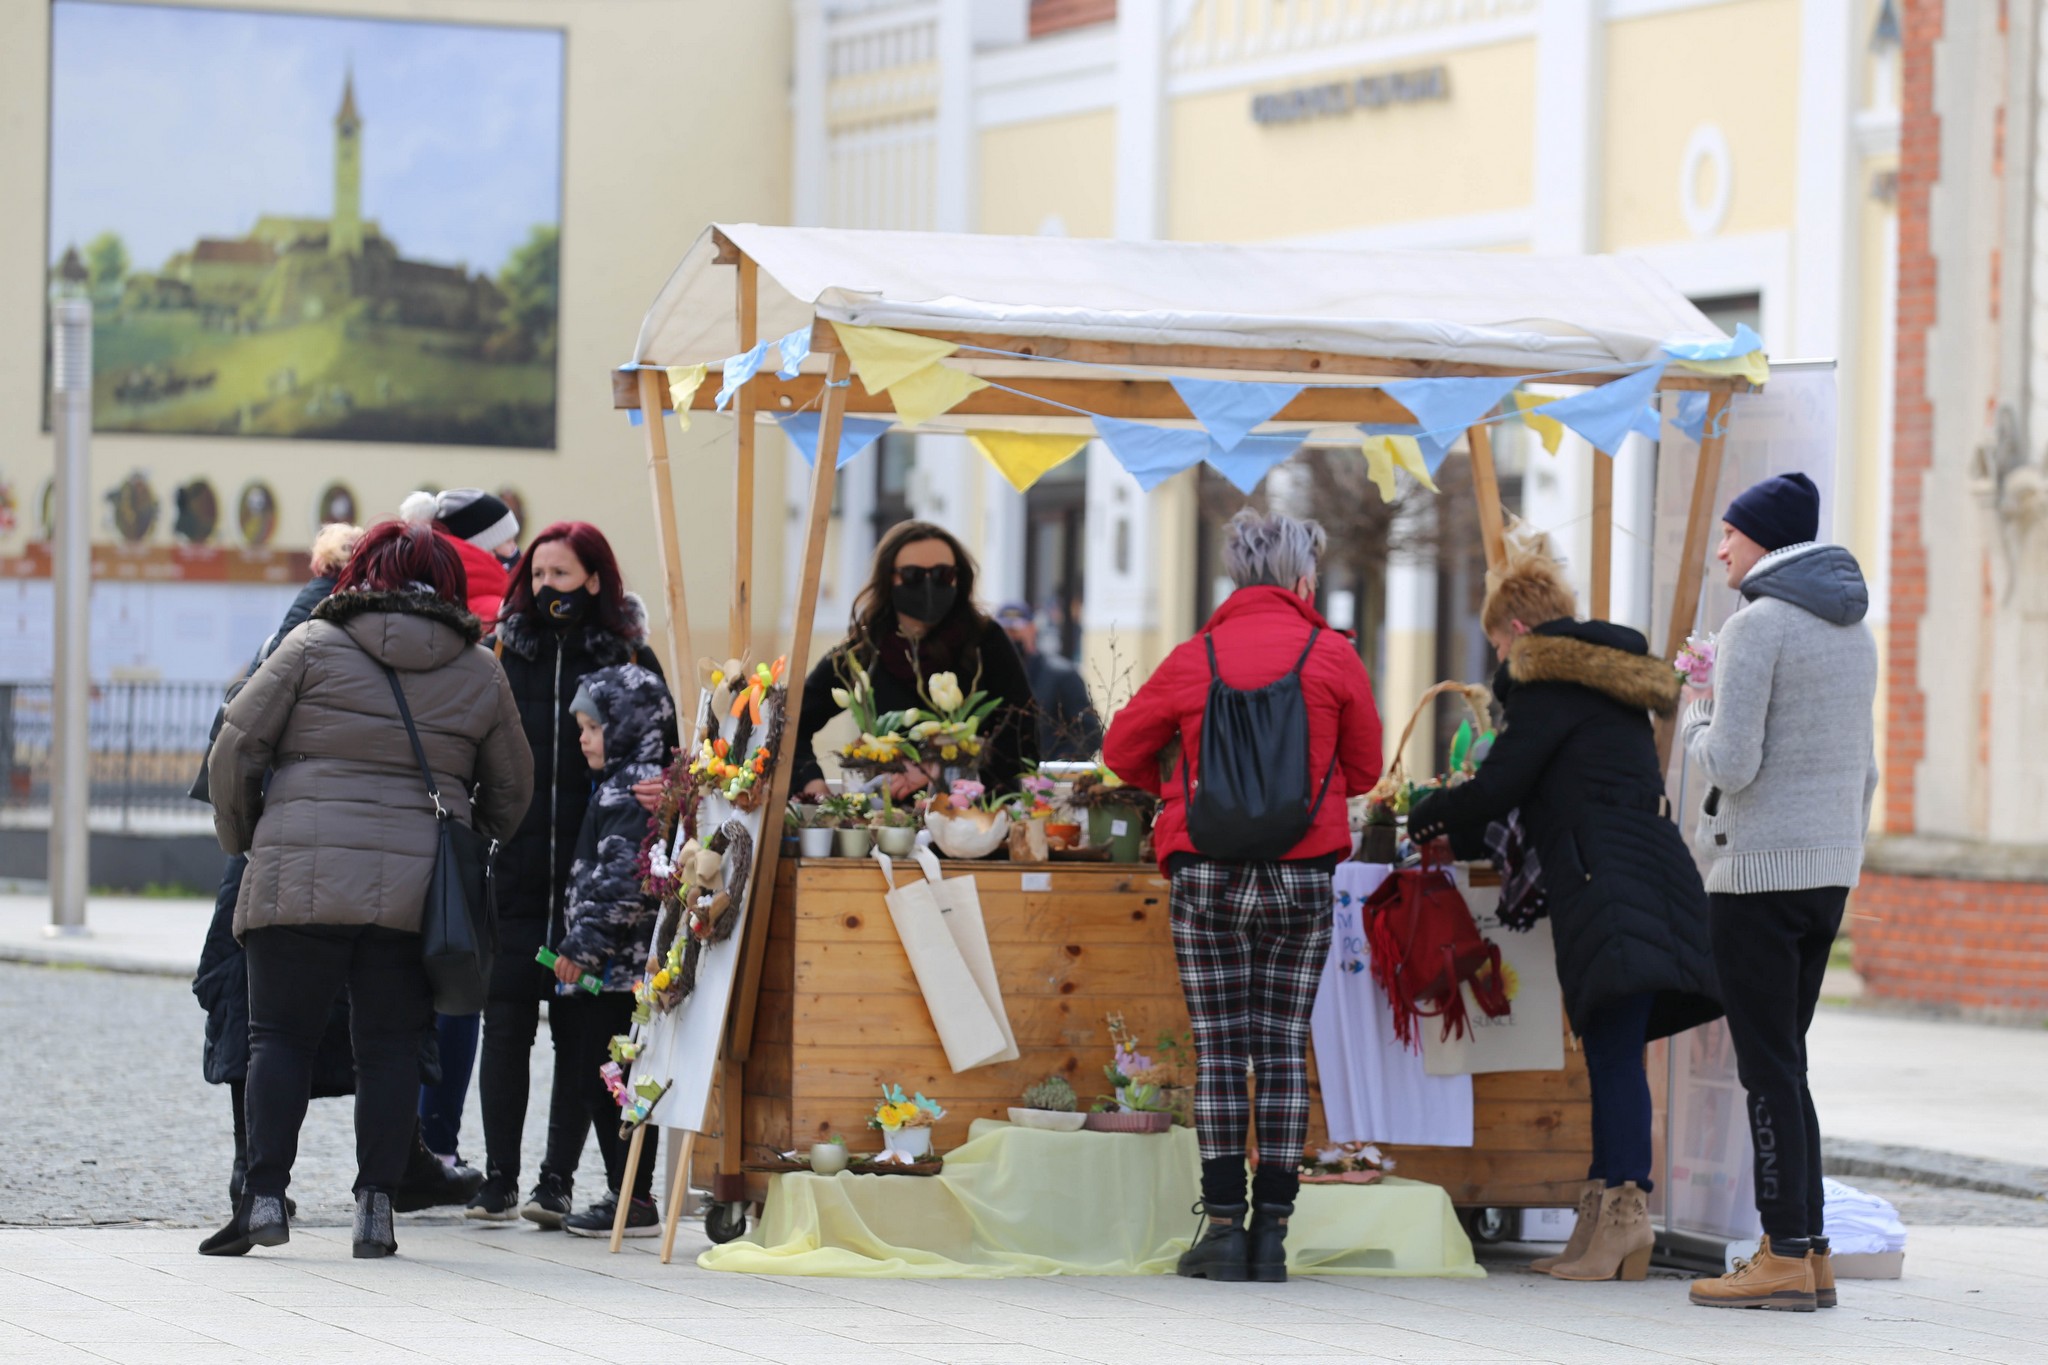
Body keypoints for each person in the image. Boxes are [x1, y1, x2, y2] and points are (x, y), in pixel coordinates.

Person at [202, 521, 533, 1258]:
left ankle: (263, 1198)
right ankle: (376, 1210)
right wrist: (465, 835)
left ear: (362, 575)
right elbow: (514, 790)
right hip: (416, 890)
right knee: (389, 1048)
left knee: (277, 1038)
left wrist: (247, 834)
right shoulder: (480, 670)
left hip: (297, 872)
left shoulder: (310, 645)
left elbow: (236, 745)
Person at [1406, 527, 1721, 1284]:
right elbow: (1542, 789)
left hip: (1606, 879)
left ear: (1517, 630)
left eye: (1497, 644)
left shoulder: (1548, 689)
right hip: (1634, 870)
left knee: (1612, 1050)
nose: (1498, 660)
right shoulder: (1606, 689)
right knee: (1613, 1047)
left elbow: (1500, 786)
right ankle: (1604, 1219)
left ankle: (1625, 1217)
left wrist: (1425, 811)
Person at [1102, 509, 1382, 1283]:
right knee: (1283, 1045)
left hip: (1208, 872)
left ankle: (1223, 1227)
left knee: (1222, 1048)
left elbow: (1120, 749)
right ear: (1302, 580)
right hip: (1301, 874)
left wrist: (1178, 782)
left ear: (1236, 578)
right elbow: (1364, 770)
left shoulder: (1194, 657)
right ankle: (1273, 1234)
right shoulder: (1334, 656)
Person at [1682, 473, 1878, 1313]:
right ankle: (1811, 1248)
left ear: (1764, 538)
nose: (1720, 547)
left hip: (1757, 877)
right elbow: (1865, 769)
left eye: (1731, 532)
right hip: (1828, 874)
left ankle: (1784, 1251)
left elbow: (1731, 762)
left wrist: (1696, 713)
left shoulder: (1755, 626)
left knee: (1766, 1068)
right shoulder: (1855, 632)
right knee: (1788, 1063)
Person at [467, 521, 676, 1227]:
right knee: (505, 1023)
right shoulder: (503, 651)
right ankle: (499, 1176)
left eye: (560, 574)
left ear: (593, 578)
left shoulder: (628, 654)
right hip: (515, 867)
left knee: (580, 1035)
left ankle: (555, 1180)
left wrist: (666, 787)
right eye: (537, 575)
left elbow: (666, 750)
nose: (545, 587)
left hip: (596, 878)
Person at [191, 522, 362, 1219]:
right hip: (340, 857)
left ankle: (253, 1176)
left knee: (257, 1019)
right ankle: (386, 1179)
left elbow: (224, 756)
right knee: (366, 1020)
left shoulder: (275, 645)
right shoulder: (348, 648)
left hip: (259, 859)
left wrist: (241, 837)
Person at [398, 489, 521, 1182]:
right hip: (460, 831)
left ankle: (391, 1152)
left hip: (383, 831)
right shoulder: (500, 608)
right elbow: (510, 767)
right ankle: (436, 1144)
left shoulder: (380, 603)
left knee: (388, 1000)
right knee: (457, 990)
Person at [548, 664, 674, 1238]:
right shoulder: (628, 783)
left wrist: (583, 947)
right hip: (614, 968)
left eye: (593, 727)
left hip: (618, 972)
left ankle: (633, 1195)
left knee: (610, 1082)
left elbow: (624, 882)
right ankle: (628, 1191)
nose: (584, 738)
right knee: (605, 1081)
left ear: (627, 726)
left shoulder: (632, 791)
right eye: (581, 728)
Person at [794, 521, 1038, 801]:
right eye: (912, 575)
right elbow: (791, 725)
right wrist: (812, 785)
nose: (929, 585)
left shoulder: (985, 641)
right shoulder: (865, 650)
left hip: (976, 817)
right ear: (889, 578)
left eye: (943, 574)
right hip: (886, 817)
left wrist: (943, 770)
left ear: (958, 578)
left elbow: (1022, 736)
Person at [994, 601, 1102, 762]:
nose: (1010, 637)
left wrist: (1055, 765)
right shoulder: (989, 674)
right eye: (1005, 631)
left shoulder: (1061, 675)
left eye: (1015, 631)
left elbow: (1089, 733)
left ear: (1032, 629)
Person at [403, 488, 520, 625]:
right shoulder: (499, 612)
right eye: (508, 541)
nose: (515, 548)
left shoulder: (429, 597)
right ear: (485, 549)